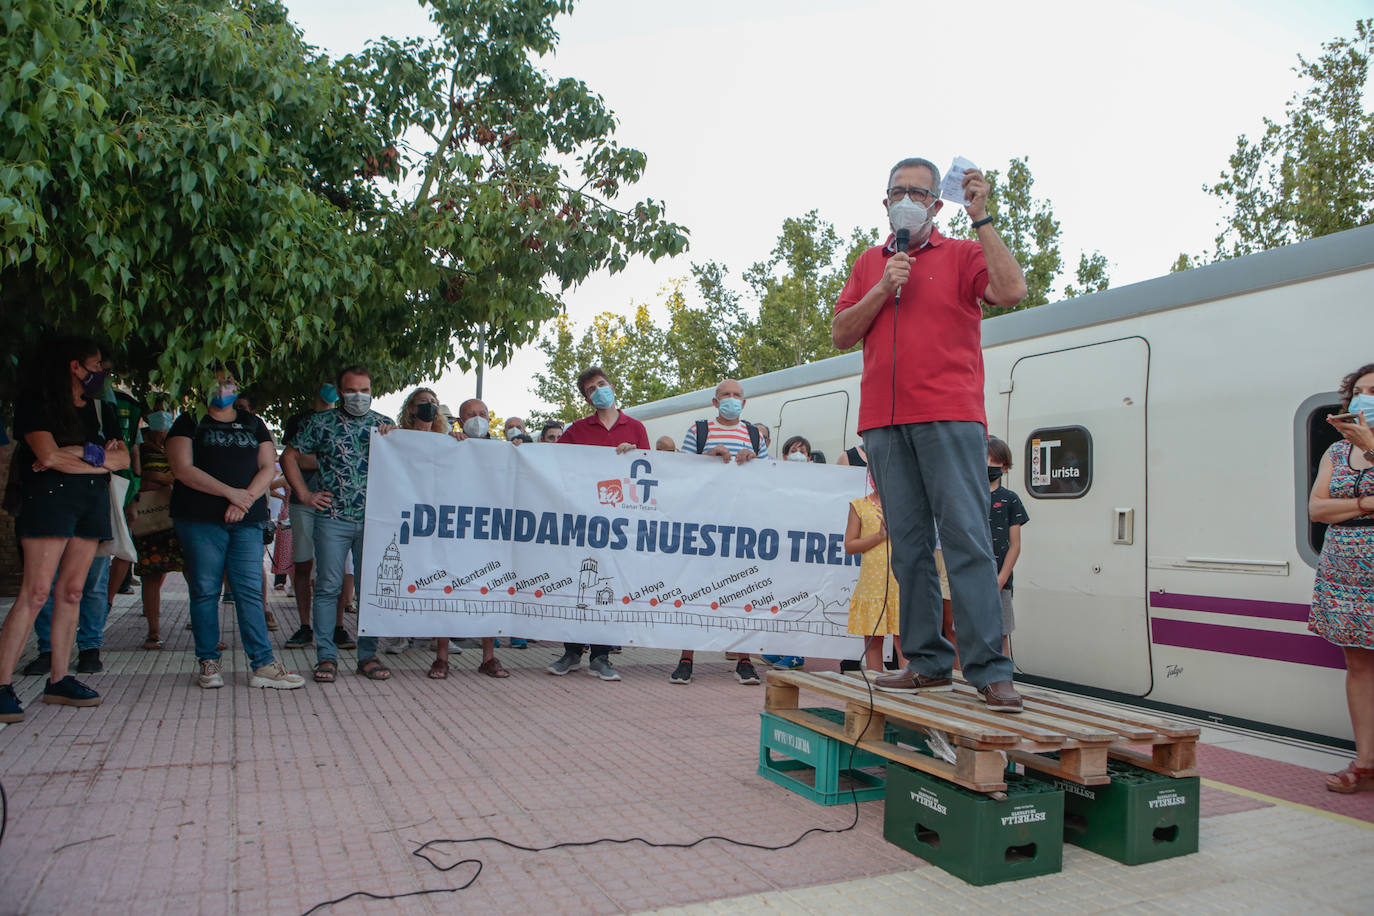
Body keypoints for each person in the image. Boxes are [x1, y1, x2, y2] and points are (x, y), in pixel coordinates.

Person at [832, 156, 1028, 713]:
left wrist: (983, 219)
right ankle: (926, 662)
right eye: (899, 191)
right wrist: (881, 289)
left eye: (920, 193)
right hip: (885, 425)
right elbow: (842, 333)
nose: (909, 200)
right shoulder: (870, 262)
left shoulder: (964, 253)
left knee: (965, 538)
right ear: (885, 199)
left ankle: (990, 670)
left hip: (950, 417)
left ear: (937, 205)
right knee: (908, 547)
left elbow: (1011, 290)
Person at [0, 335, 125, 722]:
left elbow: (121, 460)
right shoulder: (37, 403)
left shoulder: (98, 409)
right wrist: (94, 457)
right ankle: (3, 683)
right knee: (36, 592)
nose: (101, 373)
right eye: (96, 365)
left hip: (89, 500)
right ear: (74, 366)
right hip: (48, 500)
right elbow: (45, 455)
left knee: (72, 591)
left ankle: (60, 678)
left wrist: (75, 455)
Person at [167, 376, 304, 690]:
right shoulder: (189, 421)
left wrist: (243, 501)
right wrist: (231, 493)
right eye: (214, 383)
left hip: (247, 519)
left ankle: (263, 664)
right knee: (204, 589)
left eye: (228, 383)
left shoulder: (253, 423)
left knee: (249, 592)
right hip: (199, 519)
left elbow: (268, 467)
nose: (222, 389)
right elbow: (182, 468)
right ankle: (208, 660)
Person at [282, 365, 395, 682]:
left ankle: (367, 655)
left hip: (374, 520)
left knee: (369, 590)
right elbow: (288, 456)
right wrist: (304, 494)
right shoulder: (320, 423)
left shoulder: (385, 425)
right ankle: (326, 657)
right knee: (329, 587)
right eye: (351, 390)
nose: (358, 396)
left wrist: (396, 438)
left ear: (372, 390)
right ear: (340, 391)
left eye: (364, 389)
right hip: (333, 518)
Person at [549, 366, 649, 681]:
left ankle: (602, 656)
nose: (599, 390)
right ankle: (572, 652)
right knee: (578, 582)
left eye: (601, 384)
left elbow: (650, 471)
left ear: (612, 386)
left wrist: (634, 457)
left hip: (619, 523)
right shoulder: (577, 430)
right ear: (587, 398)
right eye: (591, 389)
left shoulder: (635, 427)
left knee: (611, 584)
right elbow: (550, 462)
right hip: (583, 519)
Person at [669, 379, 764, 686]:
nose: (732, 399)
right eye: (726, 395)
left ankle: (744, 660)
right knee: (694, 589)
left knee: (743, 591)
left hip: (742, 527)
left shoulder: (754, 435)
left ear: (745, 403)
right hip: (704, 526)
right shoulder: (699, 431)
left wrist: (755, 463)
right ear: (714, 401)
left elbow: (771, 480)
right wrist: (705, 456)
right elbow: (680, 471)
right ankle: (686, 658)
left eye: (737, 395)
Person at [1308, 363, 1374, 793]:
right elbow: (1316, 510)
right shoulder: (1334, 454)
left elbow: (1332, 507)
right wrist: (1368, 503)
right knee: (1359, 666)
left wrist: (1372, 445)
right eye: (1362, 391)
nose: (1367, 397)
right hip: (1342, 574)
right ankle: (1365, 762)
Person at [421, 394, 512, 678]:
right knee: (448, 589)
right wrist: (452, 445)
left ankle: (488, 658)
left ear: (489, 418)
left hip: (490, 534)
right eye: (470, 414)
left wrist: (519, 449)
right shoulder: (449, 445)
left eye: (482, 413)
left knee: (489, 591)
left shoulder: (503, 449)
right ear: (460, 421)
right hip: (455, 532)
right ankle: (442, 658)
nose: (477, 418)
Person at [280, 383, 350, 651]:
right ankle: (304, 626)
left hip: (338, 504)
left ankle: (338, 627)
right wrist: (338, 459)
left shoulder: (347, 419)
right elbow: (292, 459)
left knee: (337, 569)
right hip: (303, 501)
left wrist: (315, 458)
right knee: (302, 565)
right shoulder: (299, 421)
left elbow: (305, 458)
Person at [130, 402, 184, 650]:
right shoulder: (139, 449)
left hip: (175, 518)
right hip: (150, 517)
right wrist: (164, 478)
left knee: (192, 573)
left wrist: (162, 478)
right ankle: (153, 631)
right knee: (152, 574)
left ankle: (207, 630)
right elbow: (142, 477)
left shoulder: (172, 448)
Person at [844, 475, 903, 672]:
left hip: (901, 581)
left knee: (904, 639)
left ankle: (908, 687)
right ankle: (875, 685)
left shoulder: (907, 505)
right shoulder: (859, 505)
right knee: (873, 640)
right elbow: (850, 545)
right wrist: (879, 536)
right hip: (872, 584)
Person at [986, 437, 1029, 655]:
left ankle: (1003, 677)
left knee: (1000, 633)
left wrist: (1001, 578)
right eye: (985, 459)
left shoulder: (1010, 499)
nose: (989, 465)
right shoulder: (969, 497)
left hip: (1000, 579)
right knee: (969, 631)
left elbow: (1015, 545)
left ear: (1005, 467)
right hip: (971, 578)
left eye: (995, 461)